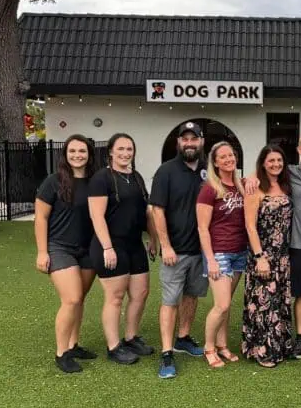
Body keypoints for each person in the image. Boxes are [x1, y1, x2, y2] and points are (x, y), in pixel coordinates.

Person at [244, 132, 301, 361]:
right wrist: (252, 177)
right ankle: (299, 339)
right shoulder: (290, 173)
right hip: (296, 246)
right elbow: (265, 172)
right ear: (299, 150)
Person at [88, 133, 158, 365]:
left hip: (135, 244)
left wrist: (154, 238)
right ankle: (114, 346)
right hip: (111, 245)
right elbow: (96, 215)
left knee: (140, 294)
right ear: (110, 151)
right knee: (115, 297)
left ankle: (130, 337)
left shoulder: (136, 177)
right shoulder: (102, 178)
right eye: (121, 149)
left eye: (129, 149)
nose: (125, 153)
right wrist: (107, 247)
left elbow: (146, 211)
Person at [149, 122, 209, 379]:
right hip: (176, 251)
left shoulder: (208, 170)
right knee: (170, 300)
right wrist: (165, 245)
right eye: (185, 139)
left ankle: (183, 337)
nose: (189, 143)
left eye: (193, 139)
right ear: (178, 143)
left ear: (201, 142)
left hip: (202, 251)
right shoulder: (166, 171)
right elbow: (156, 210)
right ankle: (166, 352)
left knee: (192, 296)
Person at [34, 134, 98, 373]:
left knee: (79, 299)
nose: (77, 155)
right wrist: (42, 251)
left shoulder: (95, 182)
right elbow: (40, 217)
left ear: (89, 155)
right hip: (59, 247)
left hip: (87, 248)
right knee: (71, 298)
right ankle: (61, 353)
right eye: (72, 151)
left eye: (82, 151)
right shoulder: (54, 181)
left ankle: (73, 345)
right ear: (65, 154)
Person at [242, 145, 295, 368]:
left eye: (279, 161)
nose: (275, 164)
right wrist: (259, 257)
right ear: (263, 163)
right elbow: (250, 226)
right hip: (262, 254)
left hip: (283, 254)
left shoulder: (286, 184)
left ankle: (281, 346)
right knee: (263, 303)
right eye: (271, 161)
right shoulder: (255, 188)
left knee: (280, 301)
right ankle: (262, 349)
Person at [197, 141, 248, 368]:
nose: (229, 159)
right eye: (223, 157)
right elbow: (202, 227)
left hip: (239, 252)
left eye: (231, 155)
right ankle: (208, 347)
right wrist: (210, 260)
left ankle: (223, 345)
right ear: (215, 162)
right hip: (219, 253)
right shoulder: (209, 188)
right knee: (222, 304)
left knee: (226, 304)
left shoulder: (240, 185)